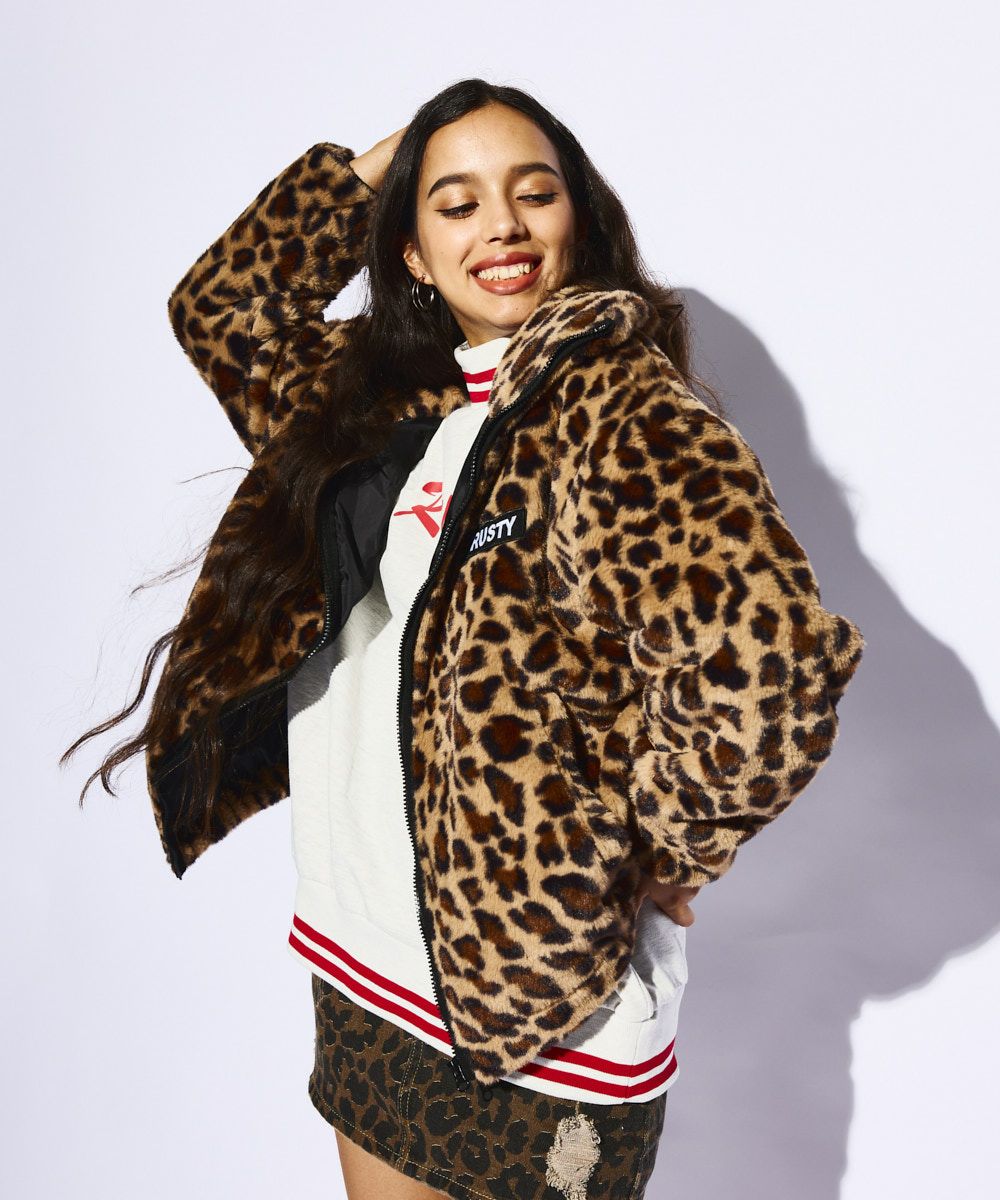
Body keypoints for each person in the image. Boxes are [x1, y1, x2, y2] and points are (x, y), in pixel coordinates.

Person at [62, 78, 865, 1200]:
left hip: (538, 995)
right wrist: (398, 151)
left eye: (535, 193)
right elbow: (224, 307)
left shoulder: (625, 415)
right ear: (410, 250)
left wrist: (659, 850)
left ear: (581, 220)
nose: (501, 227)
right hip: (363, 953)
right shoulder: (379, 401)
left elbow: (773, 671)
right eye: (456, 203)